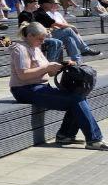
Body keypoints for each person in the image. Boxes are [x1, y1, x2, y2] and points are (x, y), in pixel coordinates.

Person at [9, 21, 108, 150]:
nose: (42, 41)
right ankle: (94, 139)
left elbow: (48, 73)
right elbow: (23, 75)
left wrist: (60, 66)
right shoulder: (20, 49)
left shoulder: (35, 47)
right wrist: (46, 67)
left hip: (38, 87)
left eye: (44, 38)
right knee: (76, 99)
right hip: (24, 90)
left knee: (78, 97)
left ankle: (65, 135)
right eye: (40, 38)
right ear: (29, 35)